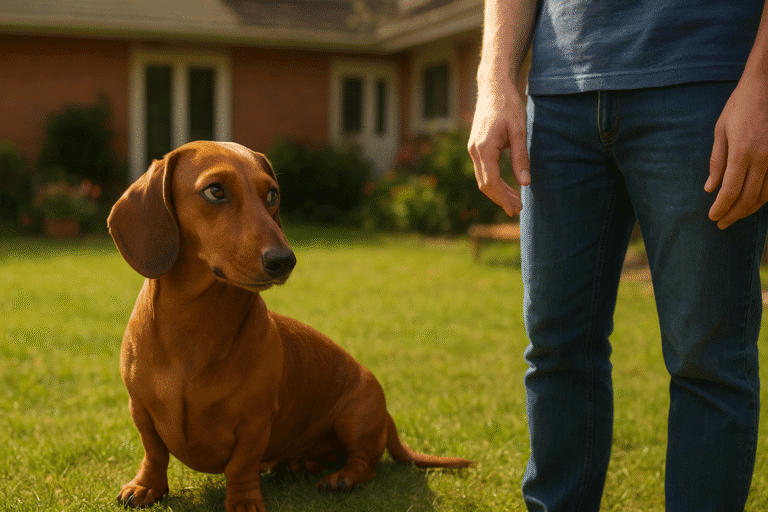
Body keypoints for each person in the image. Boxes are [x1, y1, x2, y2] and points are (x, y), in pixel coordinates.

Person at [467, 1, 768, 511]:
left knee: (707, 359)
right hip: (560, 91)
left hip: (706, 83)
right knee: (555, 347)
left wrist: (761, 88)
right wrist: (494, 78)